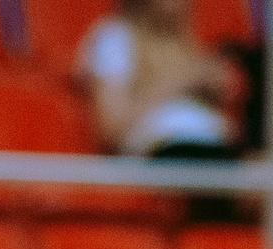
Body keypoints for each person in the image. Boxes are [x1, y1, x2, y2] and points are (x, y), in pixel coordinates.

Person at [79, 0, 237, 160]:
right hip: (165, 153)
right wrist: (180, 80)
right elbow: (110, 128)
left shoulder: (186, 43)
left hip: (218, 147)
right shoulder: (115, 37)